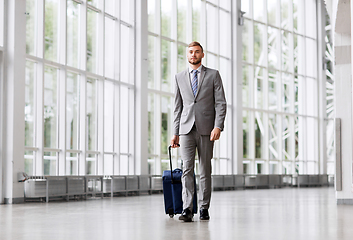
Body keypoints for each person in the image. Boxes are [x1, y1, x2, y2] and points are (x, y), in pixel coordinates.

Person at [170, 41, 227, 222]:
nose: (193, 55)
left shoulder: (213, 75)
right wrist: (175, 132)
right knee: (187, 169)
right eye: (190, 52)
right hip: (186, 129)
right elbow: (177, 107)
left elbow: (220, 103)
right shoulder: (179, 77)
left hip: (207, 129)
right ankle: (187, 208)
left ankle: (203, 208)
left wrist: (218, 126)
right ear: (187, 55)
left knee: (204, 170)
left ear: (202, 55)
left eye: (197, 52)